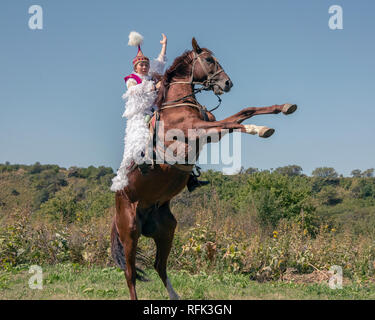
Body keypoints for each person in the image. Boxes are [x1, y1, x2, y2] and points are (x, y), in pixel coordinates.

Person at [111, 31, 208, 193]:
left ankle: (190, 175)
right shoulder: (132, 79)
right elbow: (133, 91)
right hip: (140, 115)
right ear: (135, 67)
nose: (144, 67)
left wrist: (164, 46)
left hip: (157, 112)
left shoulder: (150, 75)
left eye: (146, 65)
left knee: (178, 134)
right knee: (140, 138)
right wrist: (152, 86)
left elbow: (160, 62)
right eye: (141, 65)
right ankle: (138, 161)